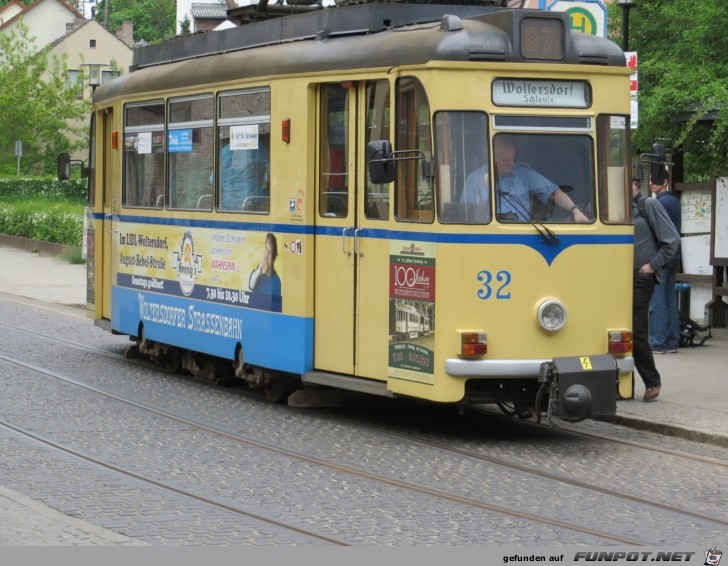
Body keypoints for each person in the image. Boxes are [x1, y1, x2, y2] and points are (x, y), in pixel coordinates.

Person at [631, 180, 680, 401]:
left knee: (634, 328)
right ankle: (618, 382)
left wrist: (651, 266)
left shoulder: (647, 205)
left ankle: (652, 382)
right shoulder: (608, 211)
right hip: (615, 278)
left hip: (641, 278)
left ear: (635, 184)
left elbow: (672, 240)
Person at [463, 137, 589, 222]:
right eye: (506, 160)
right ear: (491, 159)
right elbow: (465, 215)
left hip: (523, 236)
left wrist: (575, 210)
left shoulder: (523, 173)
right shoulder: (474, 182)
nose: (511, 164)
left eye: (513, 159)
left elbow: (554, 192)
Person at [648, 171, 681, 354]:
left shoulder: (660, 203)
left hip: (662, 254)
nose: (652, 183)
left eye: (656, 180)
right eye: (652, 179)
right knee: (669, 300)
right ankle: (671, 341)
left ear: (666, 182)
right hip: (674, 255)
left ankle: (658, 342)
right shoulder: (674, 202)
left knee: (657, 301)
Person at [249, 233, 281, 297]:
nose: (266, 254)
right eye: (266, 248)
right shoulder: (257, 272)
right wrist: (259, 270)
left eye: (270, 252)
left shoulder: (277, 281)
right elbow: (251, 285)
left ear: (274, 257)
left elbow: (277, 304)